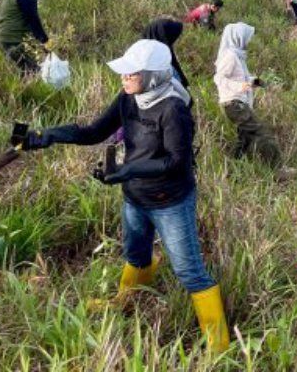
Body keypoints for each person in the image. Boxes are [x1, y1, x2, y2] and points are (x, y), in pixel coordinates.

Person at [20, 39, 229, 352]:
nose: (124, 78)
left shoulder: (173, 109)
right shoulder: (129, 98)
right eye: (124, 73)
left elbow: (176, 162)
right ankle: (124, 302)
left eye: (131, 74)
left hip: (169, 201)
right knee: (136, 253)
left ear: (153, 76)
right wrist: (48, 135)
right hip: (136, 198)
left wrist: (127, 170)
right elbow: (93, 131)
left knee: (189, 271)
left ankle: (219, 346)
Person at [215, 22, 279, 167]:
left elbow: (240, 77)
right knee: (262, 132)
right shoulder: (230, 56)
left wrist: (254, 81)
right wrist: (240, 86)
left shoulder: (237, 56)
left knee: (244, 138)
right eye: (246, 37)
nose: (248, 41)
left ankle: (234, 167)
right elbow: (219, 78)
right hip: (234, 104)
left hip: (237, 102)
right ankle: (277, 168)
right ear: (238, 37)